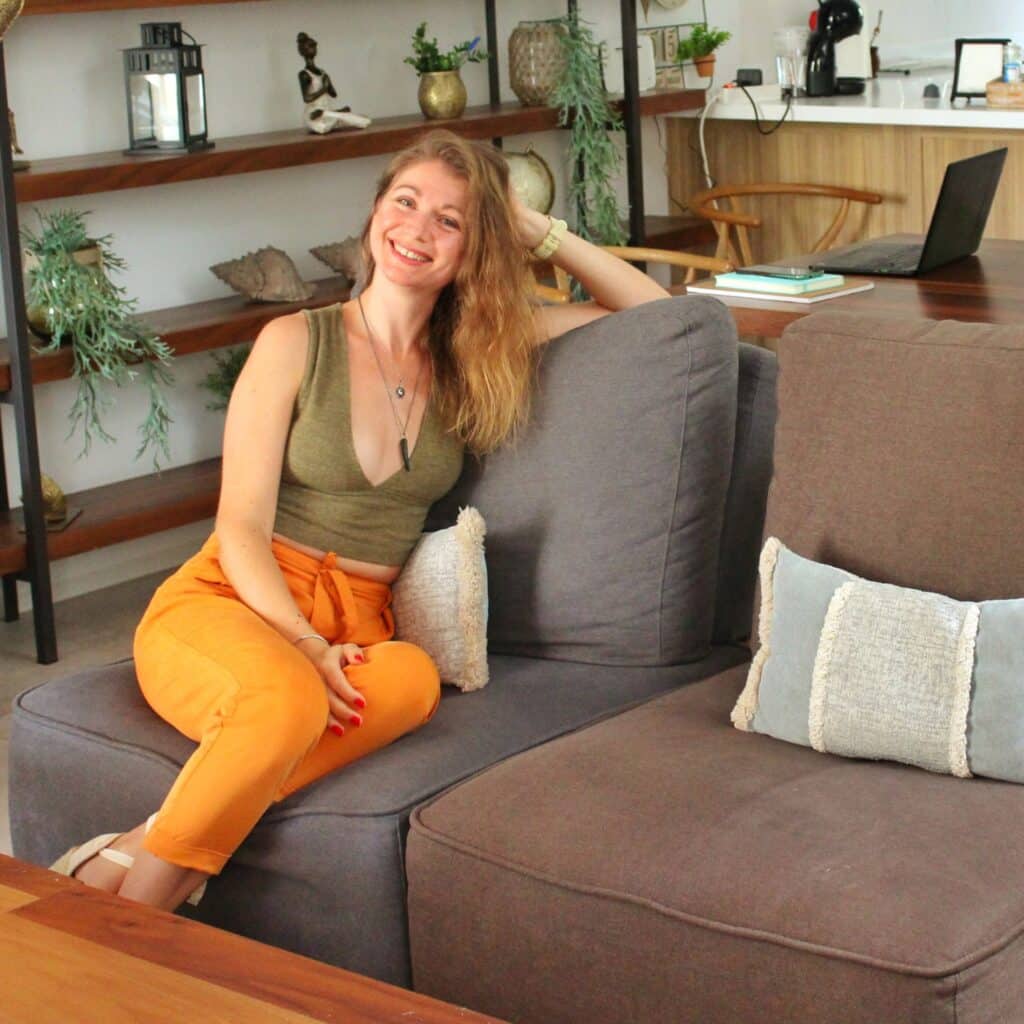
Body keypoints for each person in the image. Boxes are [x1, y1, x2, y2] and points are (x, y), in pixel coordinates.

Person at [52, 129, 670, 912]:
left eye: (450, 221)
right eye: (405, 203)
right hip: (233, 601)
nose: (417, 231)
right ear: (375, 211)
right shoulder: (292, 342)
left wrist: (537, 229)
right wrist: (304, 642)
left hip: (363, 628)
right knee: (287, 702)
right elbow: (239, 527)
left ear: (475, 246)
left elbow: (657, 318)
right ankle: (134, 930)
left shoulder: (475, 358)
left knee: (413, 680)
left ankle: (131, 848)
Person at [296, 32, 372, 134]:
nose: (314, 49)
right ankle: (336, 113)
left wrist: (328, 84)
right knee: (323, 126)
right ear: (303, 51)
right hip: (314, 114)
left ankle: (334, 113)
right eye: (310, 46)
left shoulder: (322, 72)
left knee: (361, 120)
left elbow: (333, 94)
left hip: (325, 112)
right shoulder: (304, 74)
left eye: (314, 46)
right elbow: (307, 98)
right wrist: (324, 88)